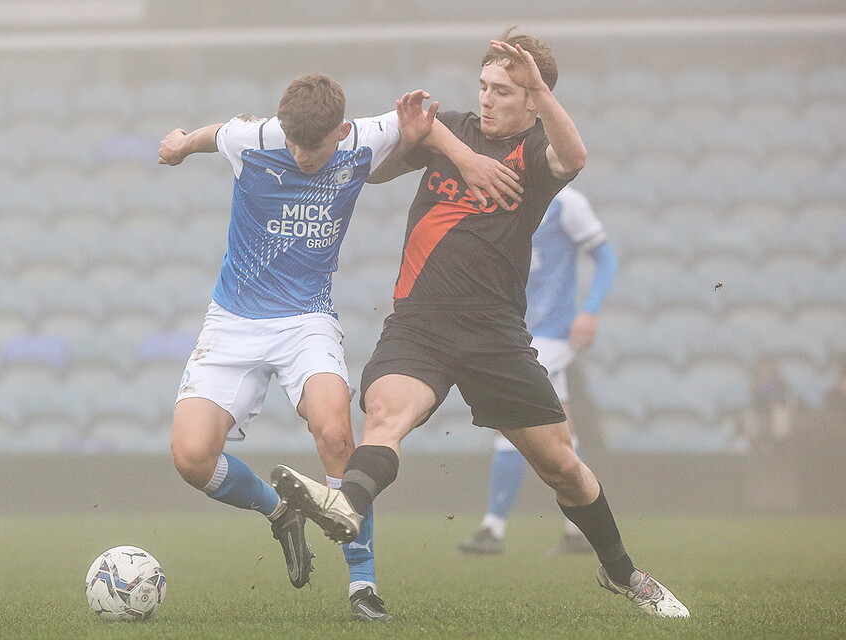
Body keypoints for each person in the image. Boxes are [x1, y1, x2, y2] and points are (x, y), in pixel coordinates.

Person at [272, 31, 689, 619]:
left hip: (496, 335)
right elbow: (377, 173)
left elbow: (575, 159)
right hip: (420, 323)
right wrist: (418, 133)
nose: (487, 99)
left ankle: (622, 573)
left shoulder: (539, 154)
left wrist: (542, 93)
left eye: (503, 91)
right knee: (385, 416)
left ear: (532, 101)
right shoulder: (456, 132)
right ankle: (346, 505)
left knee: (562, 468)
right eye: (483, 87)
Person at [158, 74, 521, 622]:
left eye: (316, 146)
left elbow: (422, 123)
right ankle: (279, 510)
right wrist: (181, 144)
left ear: (342, 131)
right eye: (296, 144)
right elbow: (214, 135)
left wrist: (467, 159)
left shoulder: (364, 137)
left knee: (333, 429)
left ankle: (362, 585)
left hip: (306, 320)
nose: (304, 158)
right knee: (191, 458)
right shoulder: (253, 138)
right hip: (233, 320)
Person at [458, 185, 618, 557]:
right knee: (561, 428)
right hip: (512, 328)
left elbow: (606, 257)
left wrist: (589, 310)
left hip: (551, 333)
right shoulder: (497, 192)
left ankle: (492, 529)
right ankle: (579, 530)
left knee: (511, 419)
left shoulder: (567, 202)